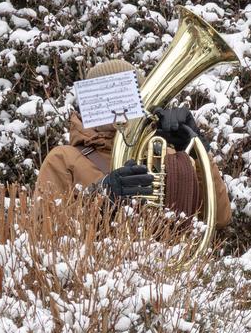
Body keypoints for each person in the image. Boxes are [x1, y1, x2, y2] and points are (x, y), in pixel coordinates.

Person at [34, 58, 232, 228]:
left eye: (129, 97)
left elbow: (218, 218)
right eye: (106, 98)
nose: (118, 108)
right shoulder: (64, 159)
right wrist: (101, 198)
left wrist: (198, 155)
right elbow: (46, 233)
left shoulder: (166, 155)